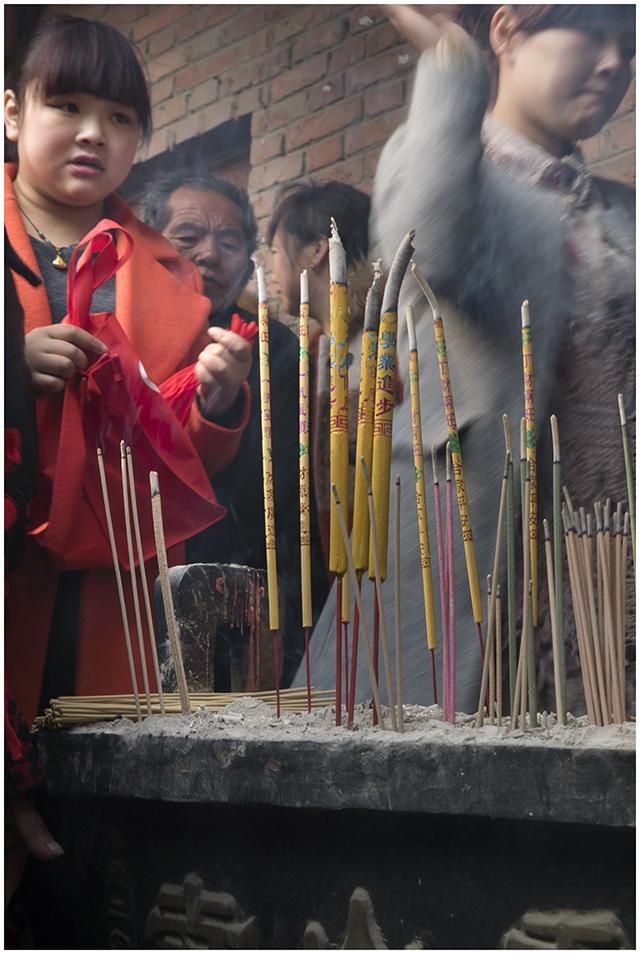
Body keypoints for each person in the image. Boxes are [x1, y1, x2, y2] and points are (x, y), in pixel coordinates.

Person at [306, 5, 635, 716]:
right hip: (469, 566)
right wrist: (454, 64)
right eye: (592, 32)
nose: (615, 63)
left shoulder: (622, 215)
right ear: (509, 30)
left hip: (607, 577)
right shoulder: (450, 167)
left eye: (629, 45)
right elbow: (431, 244)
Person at [4, 15, 254, 721]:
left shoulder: (169, 276)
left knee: (95, 764)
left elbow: (174, 463)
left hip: (112, 579)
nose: (93, 134)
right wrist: (9, 373)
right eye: (68, 106)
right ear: (13, 110)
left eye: (119, 118)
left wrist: (215, 402)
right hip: (10, 554)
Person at [140, 172, 330, 686]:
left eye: (229, 242)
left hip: (235, 598)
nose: (209, 254)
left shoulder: (276, 348)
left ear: (248, 261)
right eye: (188, 236)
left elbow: (283, 499)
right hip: (125, 588)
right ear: (152, 244)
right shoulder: (123, 329)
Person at [267, 181, 374, 565]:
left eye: (276, 251)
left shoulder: (380, 344)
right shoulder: (312, 356)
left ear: (316, 250)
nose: (270, 268)